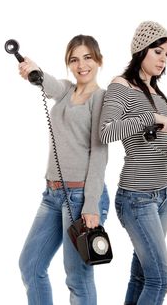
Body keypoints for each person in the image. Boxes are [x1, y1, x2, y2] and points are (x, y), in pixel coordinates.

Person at [100, 21, 167, 305]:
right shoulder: (120, 86)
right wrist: (153, 118)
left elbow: (158, 144)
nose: (163, 59)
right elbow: (106, 131)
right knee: (161, 279)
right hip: (137, 198)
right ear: (140, 51)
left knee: (142, 277)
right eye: (158, 51)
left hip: (164, 194)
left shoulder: (158, 92)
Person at [18, 35, 109, 305]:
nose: (81, 65)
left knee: (78, 278)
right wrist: (34, 70)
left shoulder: (101, 99)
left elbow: (100, 154)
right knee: (30, 265)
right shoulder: (68, 90)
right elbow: (51, 85)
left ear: (99, 60)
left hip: (82, 197)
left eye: (87, 58)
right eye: (74, 59)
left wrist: (91, 204)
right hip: (53, 194)